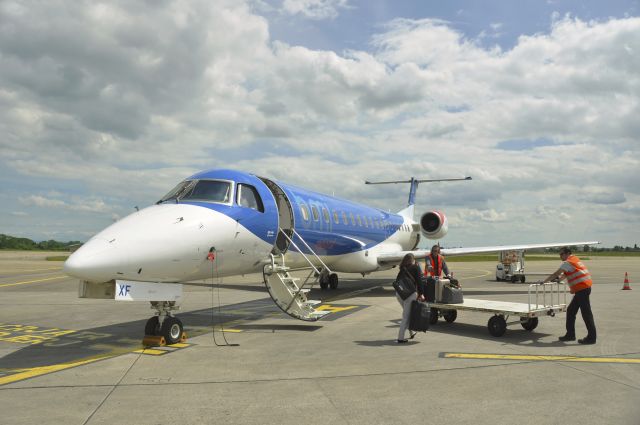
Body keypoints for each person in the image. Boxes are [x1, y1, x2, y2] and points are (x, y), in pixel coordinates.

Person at [541, 246, 597, 344]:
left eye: (561, 254)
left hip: (582, 289)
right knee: (571, 311)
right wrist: (559, 280)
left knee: (586, 314)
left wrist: (543, 282)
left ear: (567, 253)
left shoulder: (568, 262)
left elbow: (556, 273)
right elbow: (566, 274)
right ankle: (570, 335)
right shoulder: (573, 259)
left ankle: (591, 338)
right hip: (583, 289)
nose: (560, 256)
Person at [395, 253, 424, 343]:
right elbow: (419, 282)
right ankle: (400, 337)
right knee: (406, 316)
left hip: (399, 294)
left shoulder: (402, 268)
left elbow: (397, 281)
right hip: (410, 294)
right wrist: (421, 294)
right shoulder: (415, 267)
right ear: (413, 260)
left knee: (408, 314)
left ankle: (411, 332)